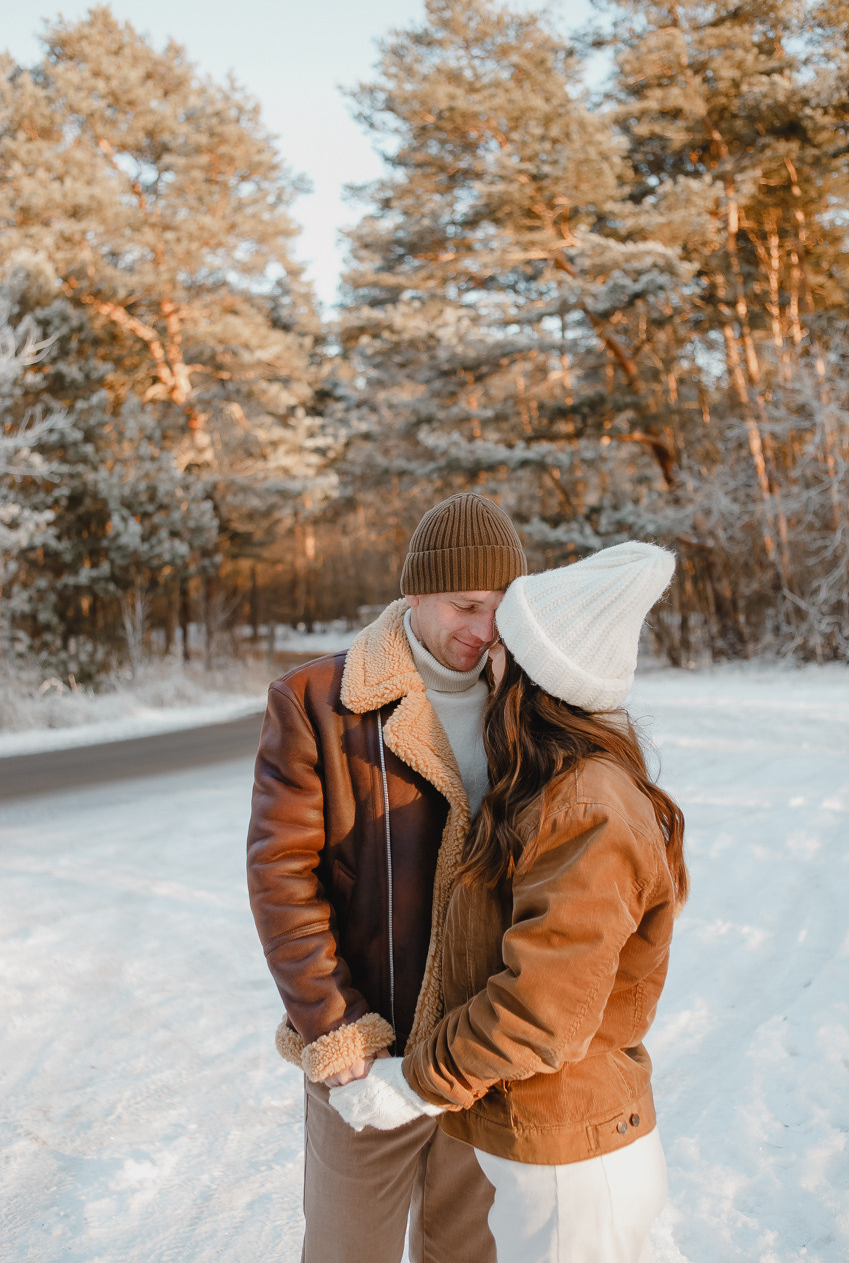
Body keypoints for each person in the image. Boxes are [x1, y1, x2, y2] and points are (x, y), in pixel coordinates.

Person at [329, 541, 689, 1263]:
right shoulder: (546, 790)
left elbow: (542, 1010)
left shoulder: (584, 805)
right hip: (552, 1151)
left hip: (570, 1169)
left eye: (501, 650)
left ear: (529, 676)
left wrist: (412, 1082)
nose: (484, 656)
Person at [247, 492, 528, 1263]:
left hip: (480, 1060)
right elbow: (282, 879)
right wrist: (338, 1035)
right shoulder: (318, 703)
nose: (484, 629)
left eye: (504, 608)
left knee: (470, 1254)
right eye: (465, 604)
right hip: (367, 1062)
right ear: (414, 593)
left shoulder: (531, 707)